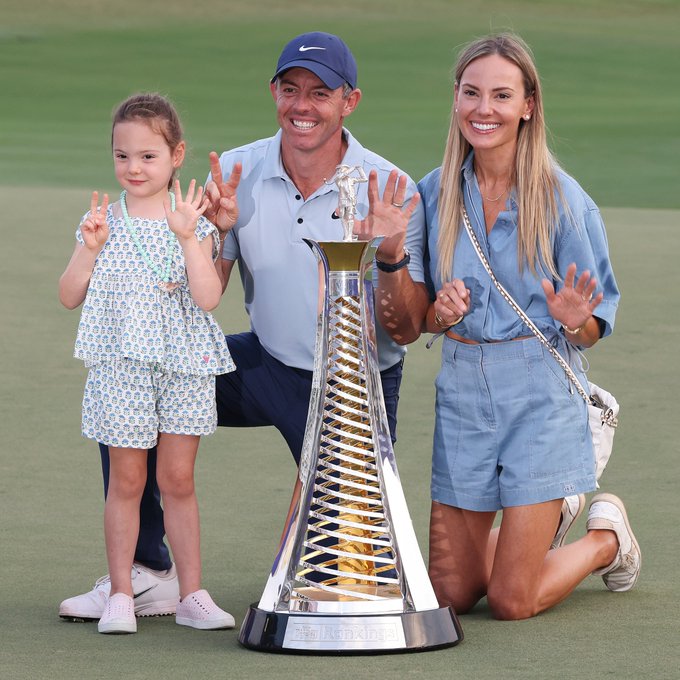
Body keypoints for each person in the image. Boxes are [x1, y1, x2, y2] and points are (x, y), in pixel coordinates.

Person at [59, 32, 423, 622]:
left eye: (320, 93)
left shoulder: (391, 187)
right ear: (273, 93)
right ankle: (149, 571)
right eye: (290, 90)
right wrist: (217, 231)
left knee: (335, 577)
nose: (302, 105)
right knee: (133, 390)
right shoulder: (234, 170)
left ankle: (314, 543)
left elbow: (405, 327)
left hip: (351, 387)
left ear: (349, 101)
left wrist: (392, 249)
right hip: (266, 361)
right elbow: (204, 293)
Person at [375, 33, 640, 619]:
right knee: (450, 593)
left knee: (511, 601)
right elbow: (415, 323)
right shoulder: (432, 194)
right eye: (472, 93)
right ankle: (540, 515)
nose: (483, 109)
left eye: (500, 95)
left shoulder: (567, 202)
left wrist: (576, 324)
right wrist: (426, 296)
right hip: (464, 390)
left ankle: (605, 540)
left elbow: (594, 325)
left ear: (528, 105)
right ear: (456, 99)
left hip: (540, 391)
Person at [59, 93, 237, 633]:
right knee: (127, 481)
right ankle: (120, 594)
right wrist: (88, 249)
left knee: (178, 479)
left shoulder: (193, 221)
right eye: (122, 156)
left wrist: (189, 238)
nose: (133, 168)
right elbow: (69, 295)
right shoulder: (100, 222)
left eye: (147, 156)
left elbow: (208, 298)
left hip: (183, 365)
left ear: (176, 154)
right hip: (120, 368)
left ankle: (191, 594)